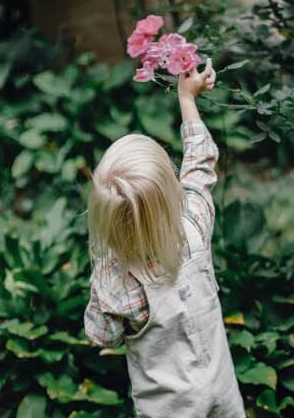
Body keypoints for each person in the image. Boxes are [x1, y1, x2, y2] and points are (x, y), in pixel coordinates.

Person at [84, 65, 244, 417]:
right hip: (222, 390)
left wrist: (105, 260)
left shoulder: (117, 281)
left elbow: (102, 335)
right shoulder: (194, 227)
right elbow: (200, 167)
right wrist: (187, 98)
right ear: (171, 193)